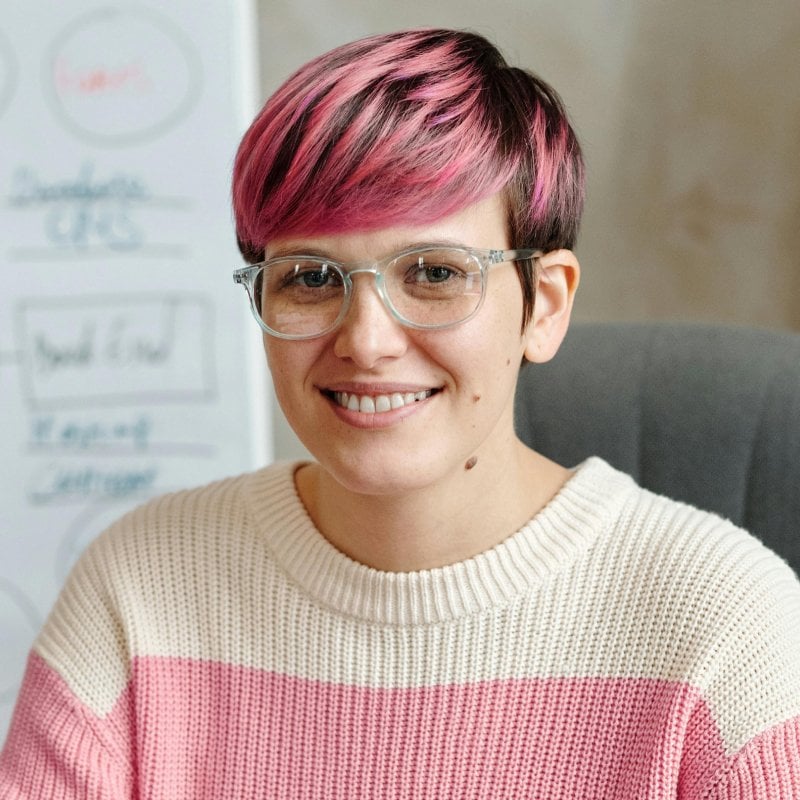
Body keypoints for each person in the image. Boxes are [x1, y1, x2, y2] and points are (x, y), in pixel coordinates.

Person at [2, 27, 799, 799]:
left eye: (434, 273)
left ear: (545, 306)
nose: (366, 341)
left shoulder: (728, 625)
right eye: (311, 278)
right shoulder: (136, 592)